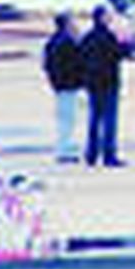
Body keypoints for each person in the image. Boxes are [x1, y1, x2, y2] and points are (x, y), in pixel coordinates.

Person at [79, 4, 130, 167]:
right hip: (108, 82)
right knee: (109, 120)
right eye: (108, 16)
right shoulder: (108, 36)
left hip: (93, 83)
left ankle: (91, 154)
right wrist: (125, 41)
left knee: (94, 119)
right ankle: (109, 154)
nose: (110, 19)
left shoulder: (87, 37)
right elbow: (121, 54)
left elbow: (80, 59)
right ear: (102, 18)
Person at [41, 12, 85, 163]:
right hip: (68, 85)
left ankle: (65, 148)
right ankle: (65, 150)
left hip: (60, 85)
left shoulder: (52, 42)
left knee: (65, 118)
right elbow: (76, 63)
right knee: (68, 119)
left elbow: (47, 64)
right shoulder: (67, 43)